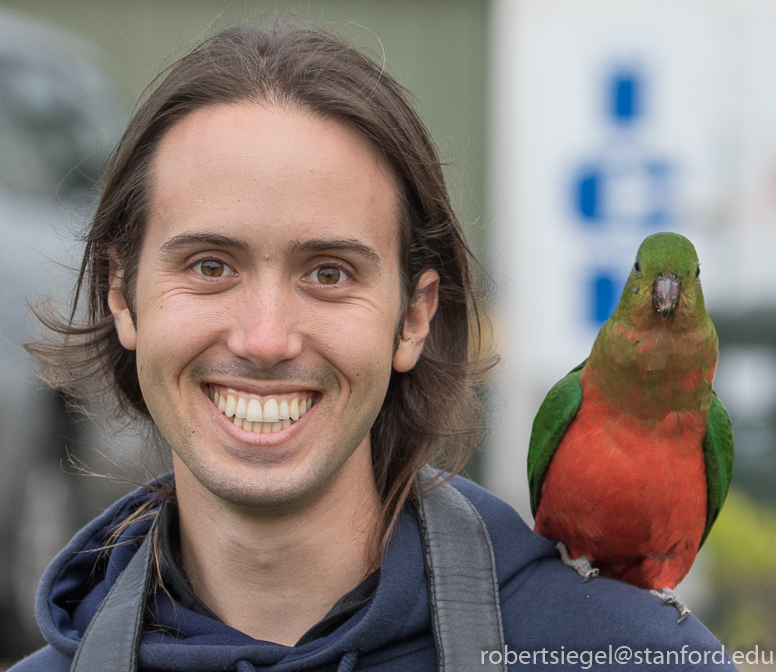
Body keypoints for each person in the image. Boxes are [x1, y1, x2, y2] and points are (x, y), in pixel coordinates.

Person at [11, 23, 731, 672]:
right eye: (210, 266)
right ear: (121, 296)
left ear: (415, 317)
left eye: (329, 273)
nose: (265, 339)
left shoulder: (636, 660)